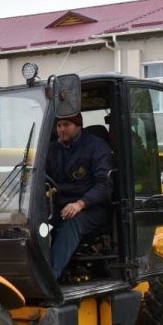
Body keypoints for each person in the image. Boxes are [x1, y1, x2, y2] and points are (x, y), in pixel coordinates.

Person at [45, 113, 114, 280]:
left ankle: (49, 279)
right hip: (60, 204)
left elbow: (104, 186)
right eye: (59, 125)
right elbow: (43, 177)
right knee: (37, 221)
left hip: (94, 207)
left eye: (66, 124)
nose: (61, 129)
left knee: (71, 221)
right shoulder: (54, 149)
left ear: (78, 126)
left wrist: (80, 204)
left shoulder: (97, 147)